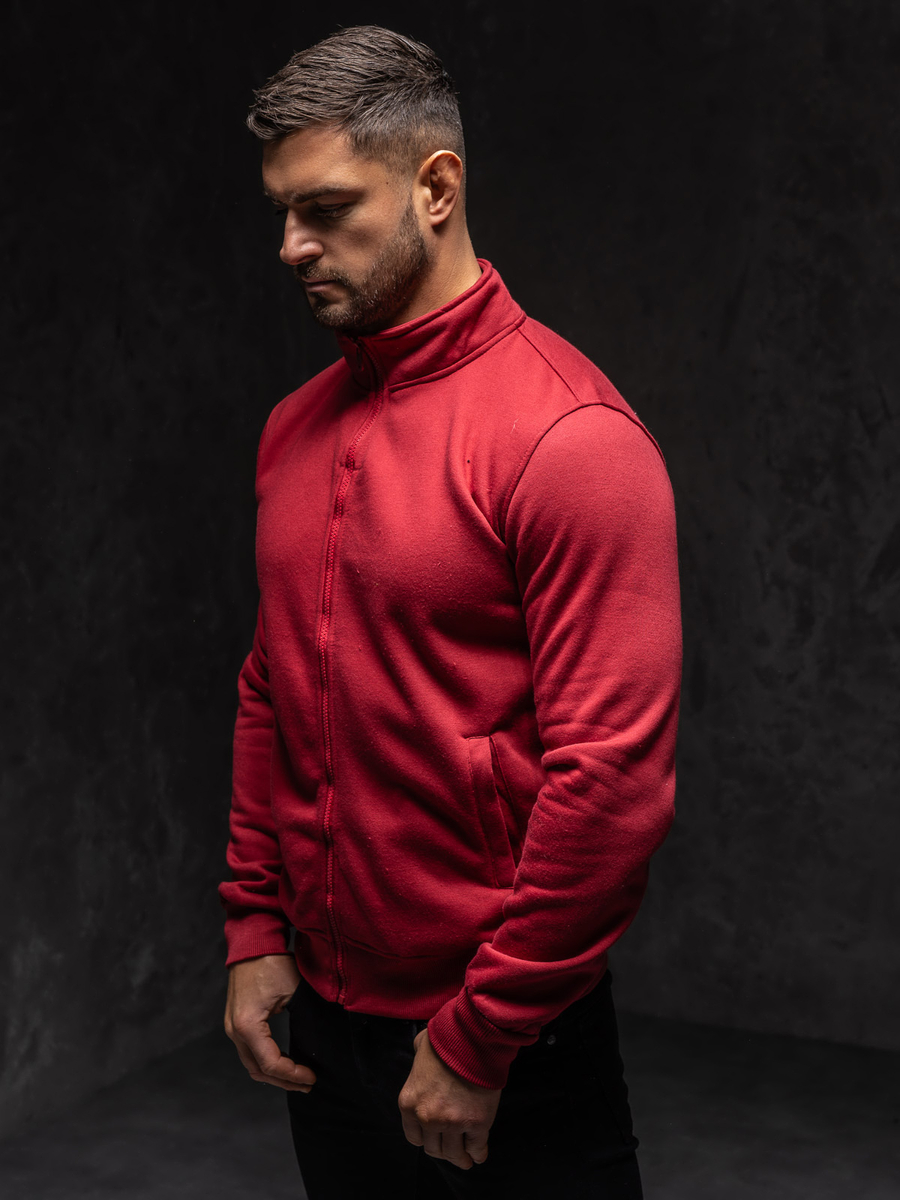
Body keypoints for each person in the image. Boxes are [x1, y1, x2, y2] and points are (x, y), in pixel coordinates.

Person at [219, 24, 681, 1200]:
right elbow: (274, 688)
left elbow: (611, 786)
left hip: (506, 1043)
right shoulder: (291, 429)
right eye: (282, 212)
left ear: (436, 187)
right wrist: (256, 930)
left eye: (326, 209)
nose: (291, 245)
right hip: (326, 1030)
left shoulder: (572, 442)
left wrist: (482, 1036)